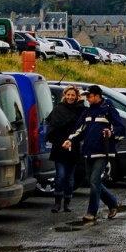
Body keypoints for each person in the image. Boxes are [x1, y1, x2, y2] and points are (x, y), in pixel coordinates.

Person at [62, 85, 125, 223]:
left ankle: (91, 212)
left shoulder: (109, 110)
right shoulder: (88, 112)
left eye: (89, 96)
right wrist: (70, 140)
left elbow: (120, 129)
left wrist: (111, 133)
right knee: (93, 182)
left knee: (95, 181)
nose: (87, 99)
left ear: (97, 96)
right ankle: (113, 203)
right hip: (88, 151)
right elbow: (79, 129)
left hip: (103, 152)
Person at [46, 85, 85, 213]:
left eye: (73, 95)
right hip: (59, 147)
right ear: (64, 95)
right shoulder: (58, 109)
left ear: (77, 96)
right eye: (68, 94)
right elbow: (52, 127)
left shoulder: (79, 110)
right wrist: (60, 142)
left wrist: (80, 103)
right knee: (60, 176)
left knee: (70, 178)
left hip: (73, 147)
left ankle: (67, 202)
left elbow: (82, 126)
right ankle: (57, 202)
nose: (70, 97)